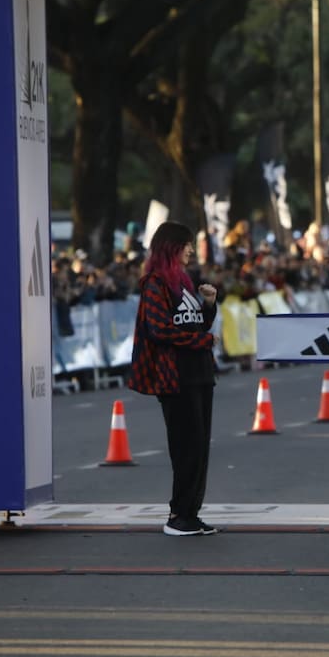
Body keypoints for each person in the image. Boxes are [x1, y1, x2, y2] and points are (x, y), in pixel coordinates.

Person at [127, 221, 221, 537]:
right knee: (186, 449)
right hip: (174, 378)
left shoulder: (184, 282)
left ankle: (190, 513)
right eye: (187, 245)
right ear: (171, 247)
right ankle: (179, 516)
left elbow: (196, 326)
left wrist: (208, 304)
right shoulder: (155, 284)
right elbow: (160, 330)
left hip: (200, 375)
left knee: (200, 448)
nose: (192, 250)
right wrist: (203, 343)